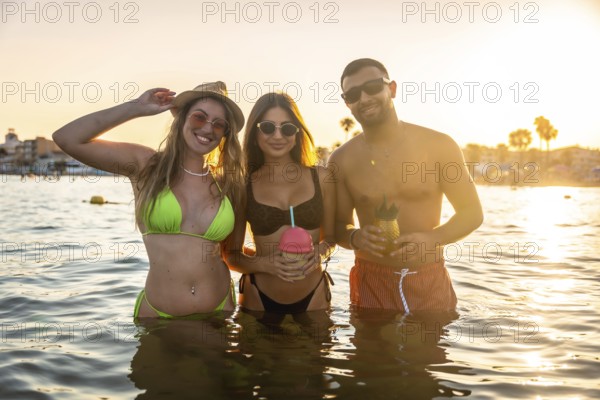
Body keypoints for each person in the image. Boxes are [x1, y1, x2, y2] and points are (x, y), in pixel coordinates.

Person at [52, 82, 246, 318]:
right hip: (158, 317)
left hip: (219, 312)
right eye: (199, 118)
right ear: (181, 119)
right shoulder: (147, 165)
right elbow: (67, 138)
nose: (208, 129)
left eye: (219, 124)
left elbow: (232, 253)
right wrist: (137, 107)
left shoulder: (227, 185)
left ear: (225, 133)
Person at [329, 58, 483, 313]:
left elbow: (472, 213)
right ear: (347, 103)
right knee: (369, 352)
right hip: (370, 282)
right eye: (354, 94)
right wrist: (355, 236)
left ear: (392, 89)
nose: (364, 98)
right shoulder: (342, 159)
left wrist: (432, 238)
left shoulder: (440, 145)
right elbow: (337, 228)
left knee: (430, 351)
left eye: (372, 87)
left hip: (428, 278)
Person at [225, 92, 336, 315]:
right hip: (258, 298)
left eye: (287, 128)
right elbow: (231, 255)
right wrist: (265, 264)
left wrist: (320, 252)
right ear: (255, 132)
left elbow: (332, 238)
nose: (278, 135)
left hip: (313, 296)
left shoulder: (322, 178)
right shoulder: (243, 186)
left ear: (297, 133)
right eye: (268, 127)